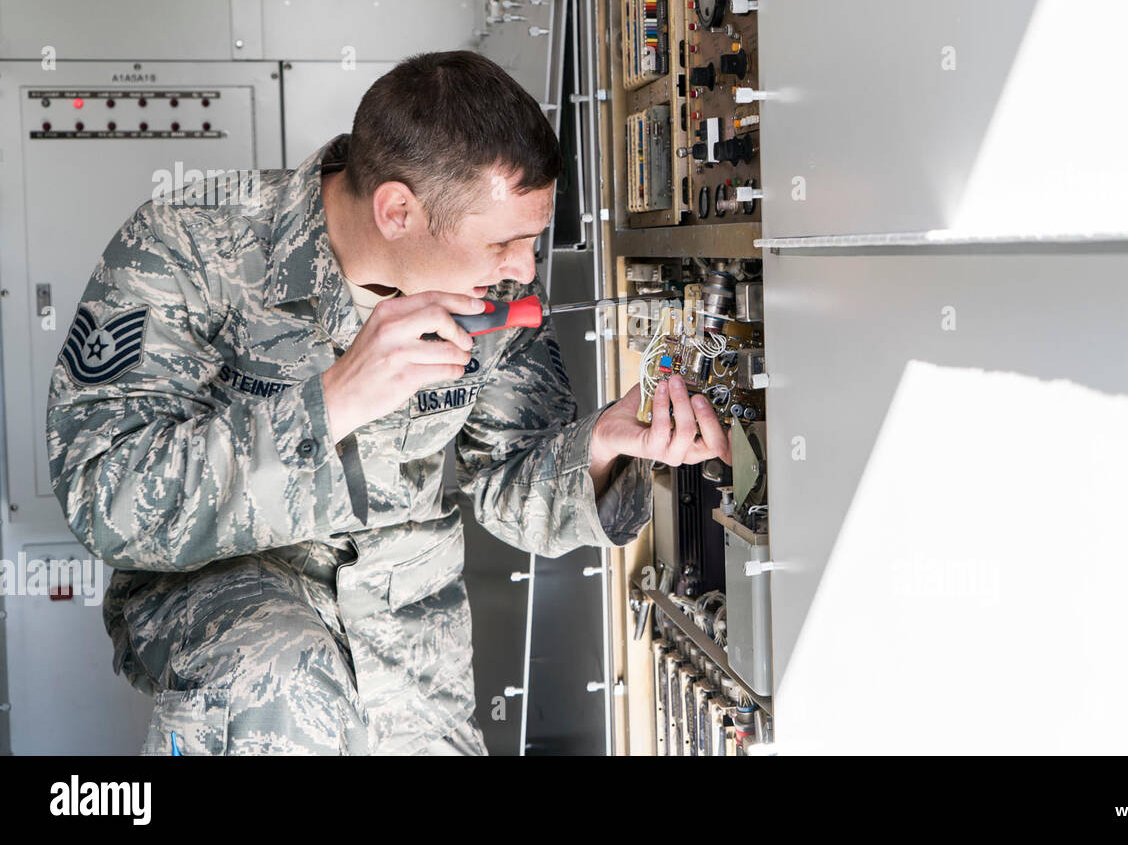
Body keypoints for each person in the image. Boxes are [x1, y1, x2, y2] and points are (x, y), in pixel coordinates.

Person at [45, 50, 732, 755]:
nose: (525, 269)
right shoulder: (188, 246)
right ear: (397, 209)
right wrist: (331, 402)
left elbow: (510, 481)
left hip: (411, 662)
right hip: (241, 633)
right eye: (503, 241)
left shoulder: (498, 294)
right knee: (285, 679)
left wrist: (600, 447)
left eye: (531, 239)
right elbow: (107, 496)